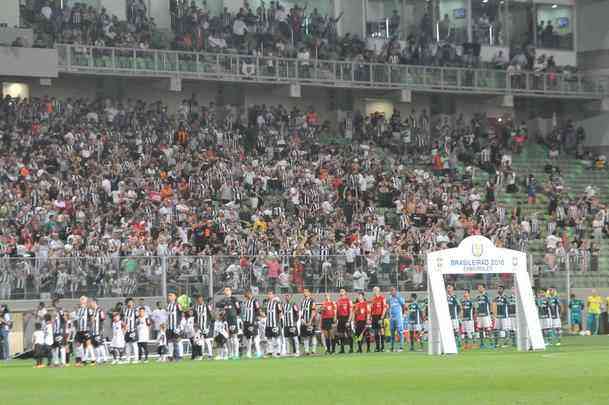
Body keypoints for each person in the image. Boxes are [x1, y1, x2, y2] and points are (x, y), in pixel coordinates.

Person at [216, 287, 241, 359]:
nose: (226, 291)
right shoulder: (223, 300)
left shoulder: (234, 299)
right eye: (225, 290)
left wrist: (236, 315)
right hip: (226, 320)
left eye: (227, 290)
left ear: (230, 291)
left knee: (234, 336)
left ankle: (236, 354)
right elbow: (217, 305)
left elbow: (238, 308)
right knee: (228, 337)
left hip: (232, 319)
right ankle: (230, 353)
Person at [193, 294, 214, 360]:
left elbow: (211, 316)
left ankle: (210, 355)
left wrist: (209, 325)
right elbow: (195, 316)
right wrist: (195, 325)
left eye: (200, 298)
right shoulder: (196, 307)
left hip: (206, 326)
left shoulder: (207, 306)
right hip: (199, 327)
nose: (199, 300)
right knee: (200, 342)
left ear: (202, 299)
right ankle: (200, 355)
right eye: (198, 299)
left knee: (207, 340)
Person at [89, 298, 107, 364]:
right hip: (93, 331)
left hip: (98, 330)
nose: (90, 304)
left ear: (94, 302)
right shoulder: (92, 311)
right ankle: (98, 359)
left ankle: (105, 358)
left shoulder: (100, 310)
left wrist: (101, 329)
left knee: (100, 344)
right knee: (95, 345)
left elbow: (103, 318)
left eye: (91, 302)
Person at [299, 288, 317, 355]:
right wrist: (302, 319)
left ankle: (313, 350)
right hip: (304, 321)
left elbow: (313, 311)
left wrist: (310, 321)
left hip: (311, 321)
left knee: (312, 335)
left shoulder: (312, 301)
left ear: (309, 293)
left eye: (306, 292)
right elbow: (301, 311)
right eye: (304, 292)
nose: (304, 293)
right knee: (305, 336)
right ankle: (306, 351)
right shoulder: (302, 301)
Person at [74, 296, 90, 366]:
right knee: (78, 345)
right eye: (81, 300)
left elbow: (92, 319)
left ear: (86, 302)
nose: (81, 301)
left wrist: (89, 327)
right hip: (79, 330)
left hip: (86, 330)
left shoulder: (89, 310)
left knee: (87, 345)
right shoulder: (79, 310)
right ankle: (79, 360)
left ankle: (85, 360)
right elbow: (76, 320)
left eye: (83, 300)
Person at [369, 286, 387, 352]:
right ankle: (377, 347)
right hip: (374, 316)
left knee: (381, 330)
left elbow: (385, 308)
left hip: (380, 316)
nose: (374, 291)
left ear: (378, 291)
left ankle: (382, 347)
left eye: (375, 290)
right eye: (373, 290)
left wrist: (382, 317)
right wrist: (370, 317)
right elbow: (371, 309)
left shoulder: (382, 298)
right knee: (376, 331)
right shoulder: (373, 299)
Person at [265, 290, 282, 357]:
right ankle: (270, 351)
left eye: (270, 294)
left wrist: (278, 321)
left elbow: (280, 312)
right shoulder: (267, 303)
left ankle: (278, 351)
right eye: (268, 294)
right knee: (269, 338)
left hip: (275, 323)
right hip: (268, 323)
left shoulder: (277, 303)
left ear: (273, 295)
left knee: (276, 338)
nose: (269, 295)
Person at [387, 287, 405, 352]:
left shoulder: (400, 298)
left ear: (395, 291)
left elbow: (403, 306)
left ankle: (401, 347)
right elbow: (389, 307)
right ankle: (391, 347)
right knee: (392, 332)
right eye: (391, 291)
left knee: (400, 332)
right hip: (392, 318)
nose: (391, 292)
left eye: (393, 291)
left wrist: (402, 314)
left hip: (398, 318)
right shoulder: (390, 299)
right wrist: (389, 315)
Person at [336, 288, 353, 354]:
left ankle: (351, 349)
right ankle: (342, 349)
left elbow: (351, 311)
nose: (341, 292)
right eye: (340, 291)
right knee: (341, 334)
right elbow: (337, 311)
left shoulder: (349, 301)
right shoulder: (338, 301)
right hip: (340, 319)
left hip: (346, 318)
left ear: (345, 292)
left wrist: (348, 321)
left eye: (342, 291)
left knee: (349, 334)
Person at [166, 292, 182, 361]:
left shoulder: (178, 305)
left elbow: (181, 315)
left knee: (176, 342)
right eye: (169, 295)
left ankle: (177, 357)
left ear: (175, 297)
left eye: (171, 295)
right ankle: (170, 357)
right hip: (169, 327)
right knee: (169, 342)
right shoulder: (168, 305)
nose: (169, 297)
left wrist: (179, 326)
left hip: (175, 327)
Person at [122, 298, 139, 363]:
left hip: (133, 330)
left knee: (134, 344)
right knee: (127, 345)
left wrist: (135, 326)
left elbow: (138, 319)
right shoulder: (124, 310)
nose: (130, 303)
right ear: (126, 303)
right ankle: (127, 359)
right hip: (127, 331)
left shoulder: (135, 311)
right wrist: (123, 326)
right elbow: (123, 319)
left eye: (131, 302)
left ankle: (136, 359)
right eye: (129, 302)